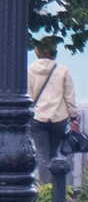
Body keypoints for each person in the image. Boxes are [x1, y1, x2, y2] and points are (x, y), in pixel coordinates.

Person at [27, 35, 75, 167]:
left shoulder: (30, 70)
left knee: (42, 155)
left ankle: (44, 186)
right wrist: (73, 117)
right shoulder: (62, 71)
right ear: (54, 52)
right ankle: (55, 186)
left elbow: (28, 96)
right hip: (59, 119)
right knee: (54, 154)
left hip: (37, 118)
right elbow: (69, 96)